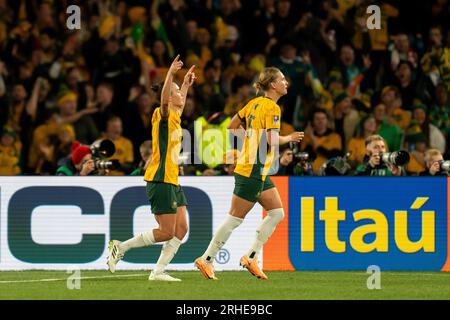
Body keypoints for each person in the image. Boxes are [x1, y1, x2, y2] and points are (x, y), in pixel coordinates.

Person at [195, 67, 304, 280]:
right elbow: (273, 140)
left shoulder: (253, 103)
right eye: (282, 79)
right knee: (235, 219)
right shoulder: (272, 108)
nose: (286, 83)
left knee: (277, 213)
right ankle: (207, 259)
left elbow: (232, 126)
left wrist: (251, 140)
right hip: (252, 168)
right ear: (272, 84)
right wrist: (288, 138)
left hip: (257, 168)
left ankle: (251, 257)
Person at [107, 55, 196, 282]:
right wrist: (170, 74)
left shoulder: (175, 115)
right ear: (168, 96)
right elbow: (166, 100)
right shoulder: (162, 113)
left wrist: (184, 84)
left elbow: (179, 101)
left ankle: (157, 272)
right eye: (176, 91)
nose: (180, 96)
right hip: (160, 177)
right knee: (166, 231)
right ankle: (121, 247)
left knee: (181, 229)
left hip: (172, 179)